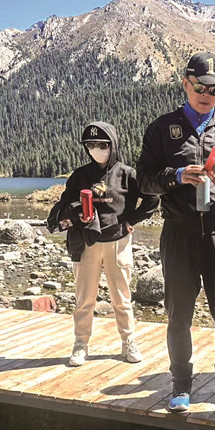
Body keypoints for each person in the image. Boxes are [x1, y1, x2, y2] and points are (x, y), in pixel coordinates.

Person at [137, 52, 215, 413]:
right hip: (179, 233)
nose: (207, 95)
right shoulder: (162, 129)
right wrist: (175, 176)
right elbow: (143, 180)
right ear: (186, 84)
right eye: (201, 87)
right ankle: (180, 383)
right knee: (178, 315)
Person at [48, 121, 159, 367]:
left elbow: (152, 199)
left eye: (102, 145)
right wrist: (77, 213)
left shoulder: (128, 174)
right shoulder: (80, 176)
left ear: (113, 145)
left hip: (118, 242)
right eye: (91, 145)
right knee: (84, 298)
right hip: (87, 242)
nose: (96, 149)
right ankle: (80, 344)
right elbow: (64, 204)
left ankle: (128, 341)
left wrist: (131, 220)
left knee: (122, 297)